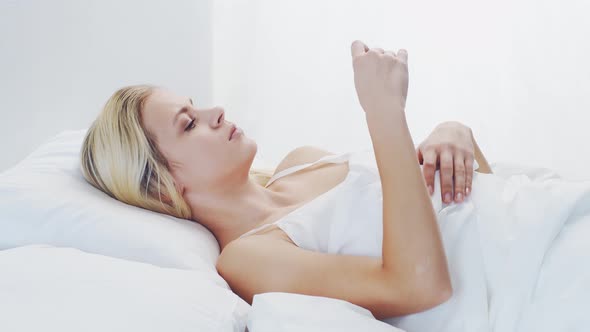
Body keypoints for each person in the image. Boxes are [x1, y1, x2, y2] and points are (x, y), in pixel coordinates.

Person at [80, 40, 494, 320]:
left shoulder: (303, 162)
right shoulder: (247, 258)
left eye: (195, 106)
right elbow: (418, 287)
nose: (217, 111)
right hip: (530, 286)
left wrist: (456, 135)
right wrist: (384, 111)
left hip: (544, 218)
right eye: (189, 125)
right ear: (159, 186)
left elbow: (467, 209)